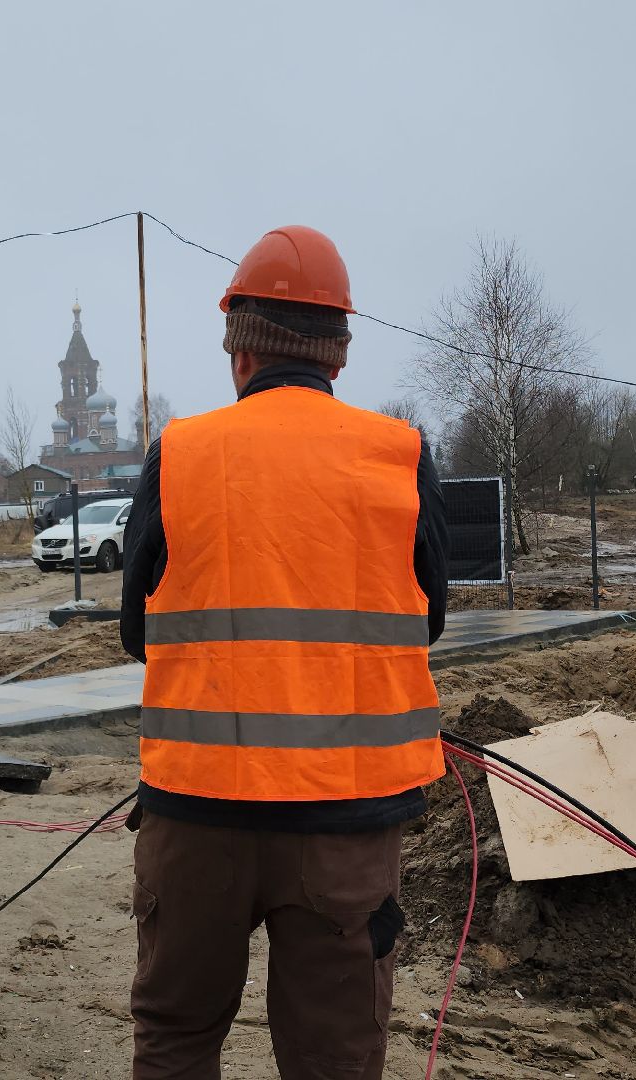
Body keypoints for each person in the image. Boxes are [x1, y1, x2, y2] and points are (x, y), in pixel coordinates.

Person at [118, 225, 448, 1079]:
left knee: (177, 1038)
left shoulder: (179, 456)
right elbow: (427, 622)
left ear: (240, 354)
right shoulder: (399, 457)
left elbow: (134, 632)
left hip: (195, 818)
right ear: (337, 356)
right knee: (335, 1059)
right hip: (345, 829)